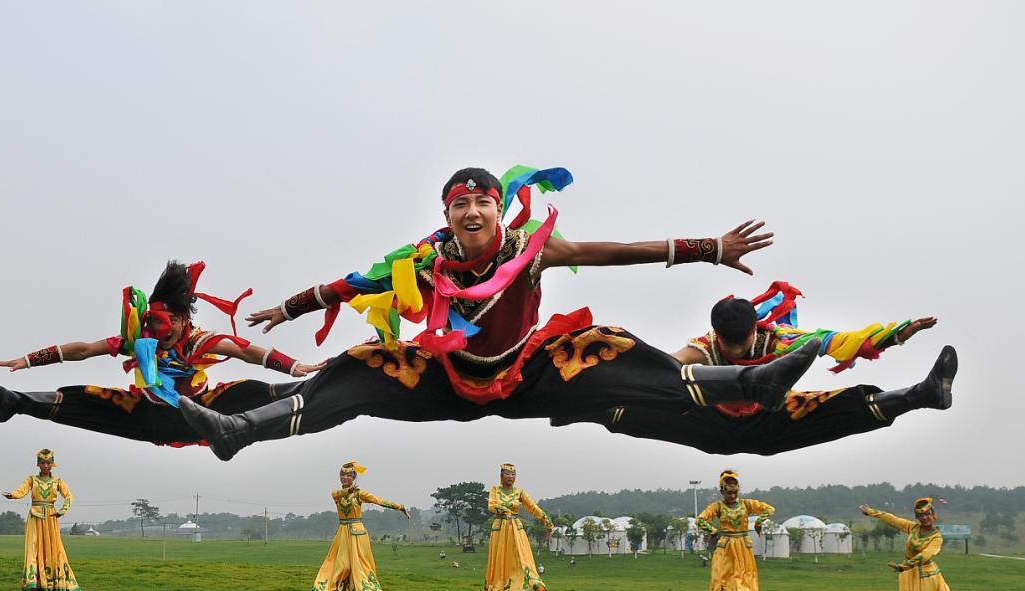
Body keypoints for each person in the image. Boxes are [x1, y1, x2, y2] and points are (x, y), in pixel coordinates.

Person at [178, 166, 818, 460]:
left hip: (528, 372)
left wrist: (709, 249)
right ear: (447, 213)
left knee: (610, 345)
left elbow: (617, 252)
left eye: (483, 202)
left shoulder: (529, 250)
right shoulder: (424, 258)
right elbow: (355, 282)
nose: (474, 213)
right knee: (353, 369)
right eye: (461, 205)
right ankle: (241, 431)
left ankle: (751, 382)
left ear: (495, 207)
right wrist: (290, 308)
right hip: (446, 376)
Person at [551, 282, 955, 455]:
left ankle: (922, 395)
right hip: (713, 425)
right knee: (642, 407)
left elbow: (842, 341)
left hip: (771, 422)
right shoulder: (705, 346)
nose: (735, 349)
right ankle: (582, 407)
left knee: (843, 404)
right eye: (728, 344)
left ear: (754, 329)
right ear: (715, 334)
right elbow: (665, 368)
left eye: (741, 343)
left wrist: (899, 333)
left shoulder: (781, 339)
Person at [0, 261, 323, 446]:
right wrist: (29, 359)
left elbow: (245, 351)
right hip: (147, 416)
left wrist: (293, 367)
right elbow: (83, 349)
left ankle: (311, 393)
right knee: (83, 396)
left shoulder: (197, 341)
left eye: (172, 321)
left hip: (200, 413)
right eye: (158, 322)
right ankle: (11, 402)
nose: (165, 330)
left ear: (184, 318)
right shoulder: (140, 342)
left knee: (249, 389)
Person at [861, 498, 981, 591]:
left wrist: (906, 565)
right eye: (921, 516)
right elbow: (893, 519)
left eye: (927, 514)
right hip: (909, 575)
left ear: (933, 514)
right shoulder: (913, 528)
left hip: (927, 575)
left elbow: (926, 554)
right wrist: (871, 512)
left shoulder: (936, 537)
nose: (925, 518)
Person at [312, 461, 410, 591]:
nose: (344, 478)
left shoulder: (360, 494)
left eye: (348, 475)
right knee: (341, 564)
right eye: (342, 475)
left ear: (353, 477)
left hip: (357, 532)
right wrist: (349, 491)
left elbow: (378, 501)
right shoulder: (336, 494)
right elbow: (340, 493)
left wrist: (400, 507)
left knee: (360, 564)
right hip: (343, 533)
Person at [695, 470, 773, 591]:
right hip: (726, 548)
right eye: (729, 492)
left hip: (744, 548)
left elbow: (769, 509)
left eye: (735, 492)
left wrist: (759, 521)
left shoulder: (746, 504)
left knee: (745, 583)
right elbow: (700, 519)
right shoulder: (717, 506)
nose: (732, 496)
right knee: (720, 583)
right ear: (722, 492)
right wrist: (714, 531)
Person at [3, 449, 80, 591]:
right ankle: (33, 582)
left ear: (52, 464)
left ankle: (53, 581)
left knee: (53, 547)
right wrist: (13, 495)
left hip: (51, 517)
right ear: (38, 464)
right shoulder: (32, 479)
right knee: (33, 547)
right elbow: (22, 490)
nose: (45, 465)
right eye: (43, 463)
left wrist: (62, 510)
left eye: (48, 463)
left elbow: (69, 496)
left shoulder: (58, 481)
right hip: (35, 517)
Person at [482, 463, 554, 591]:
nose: (511, 477)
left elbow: (533, 507)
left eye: (513, 474)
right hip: (500, 529)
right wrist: (505, 510)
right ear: (501, 476)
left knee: (523, 561)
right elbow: (491, 505)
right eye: (507, 474)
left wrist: (548, 522)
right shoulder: (495, 490)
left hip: (516, 529)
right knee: (499, 562)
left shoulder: (519, 492)